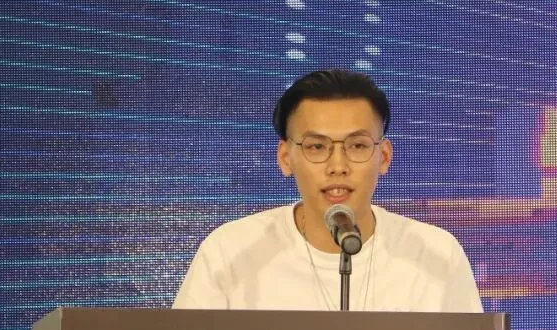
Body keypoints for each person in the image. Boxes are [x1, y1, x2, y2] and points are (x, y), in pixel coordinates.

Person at [173, 69, 483, 312]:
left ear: (384, 157)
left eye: (357, 145)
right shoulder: (231, 253)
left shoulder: (435, 256)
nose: (338, 166)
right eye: (316, 147)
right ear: (285, 158)